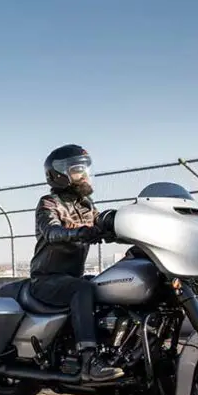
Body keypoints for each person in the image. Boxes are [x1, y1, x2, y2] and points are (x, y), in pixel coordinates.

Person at [29, 144, 123, 382]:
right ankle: (89, 361)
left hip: (72, 278)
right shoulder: (49, 202)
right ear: (60, 174)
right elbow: (52, 232)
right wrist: (81, 232)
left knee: (109, 286)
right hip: (47, 279)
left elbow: (103, 225)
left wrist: (123, 226)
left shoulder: (86, 205)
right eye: (77, 170)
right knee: (83, 289)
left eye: (85, 170)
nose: (84, 175)